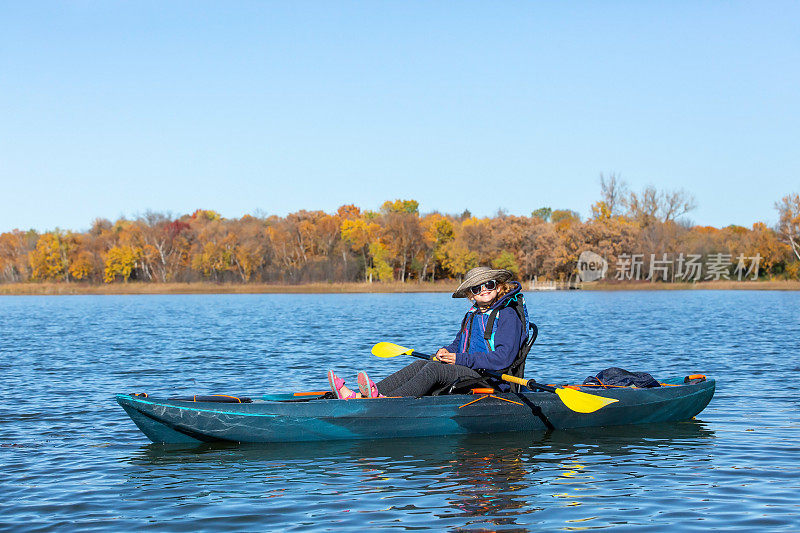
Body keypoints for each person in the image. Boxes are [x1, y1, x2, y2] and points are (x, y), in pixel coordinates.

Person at [327, 266, 529, 399]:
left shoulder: (508, 315)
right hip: (470, 370)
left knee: (434, 370)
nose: (484, 289)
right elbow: (459, 343)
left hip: (493, 379)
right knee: (422, 363)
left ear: (499, 286)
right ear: (470, 294)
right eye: (477, 288)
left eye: (489, 285)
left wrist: (460, 359)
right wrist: (446, 351)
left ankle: (388, 402)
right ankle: (362, 397)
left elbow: (503, 359)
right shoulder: (473, 313)